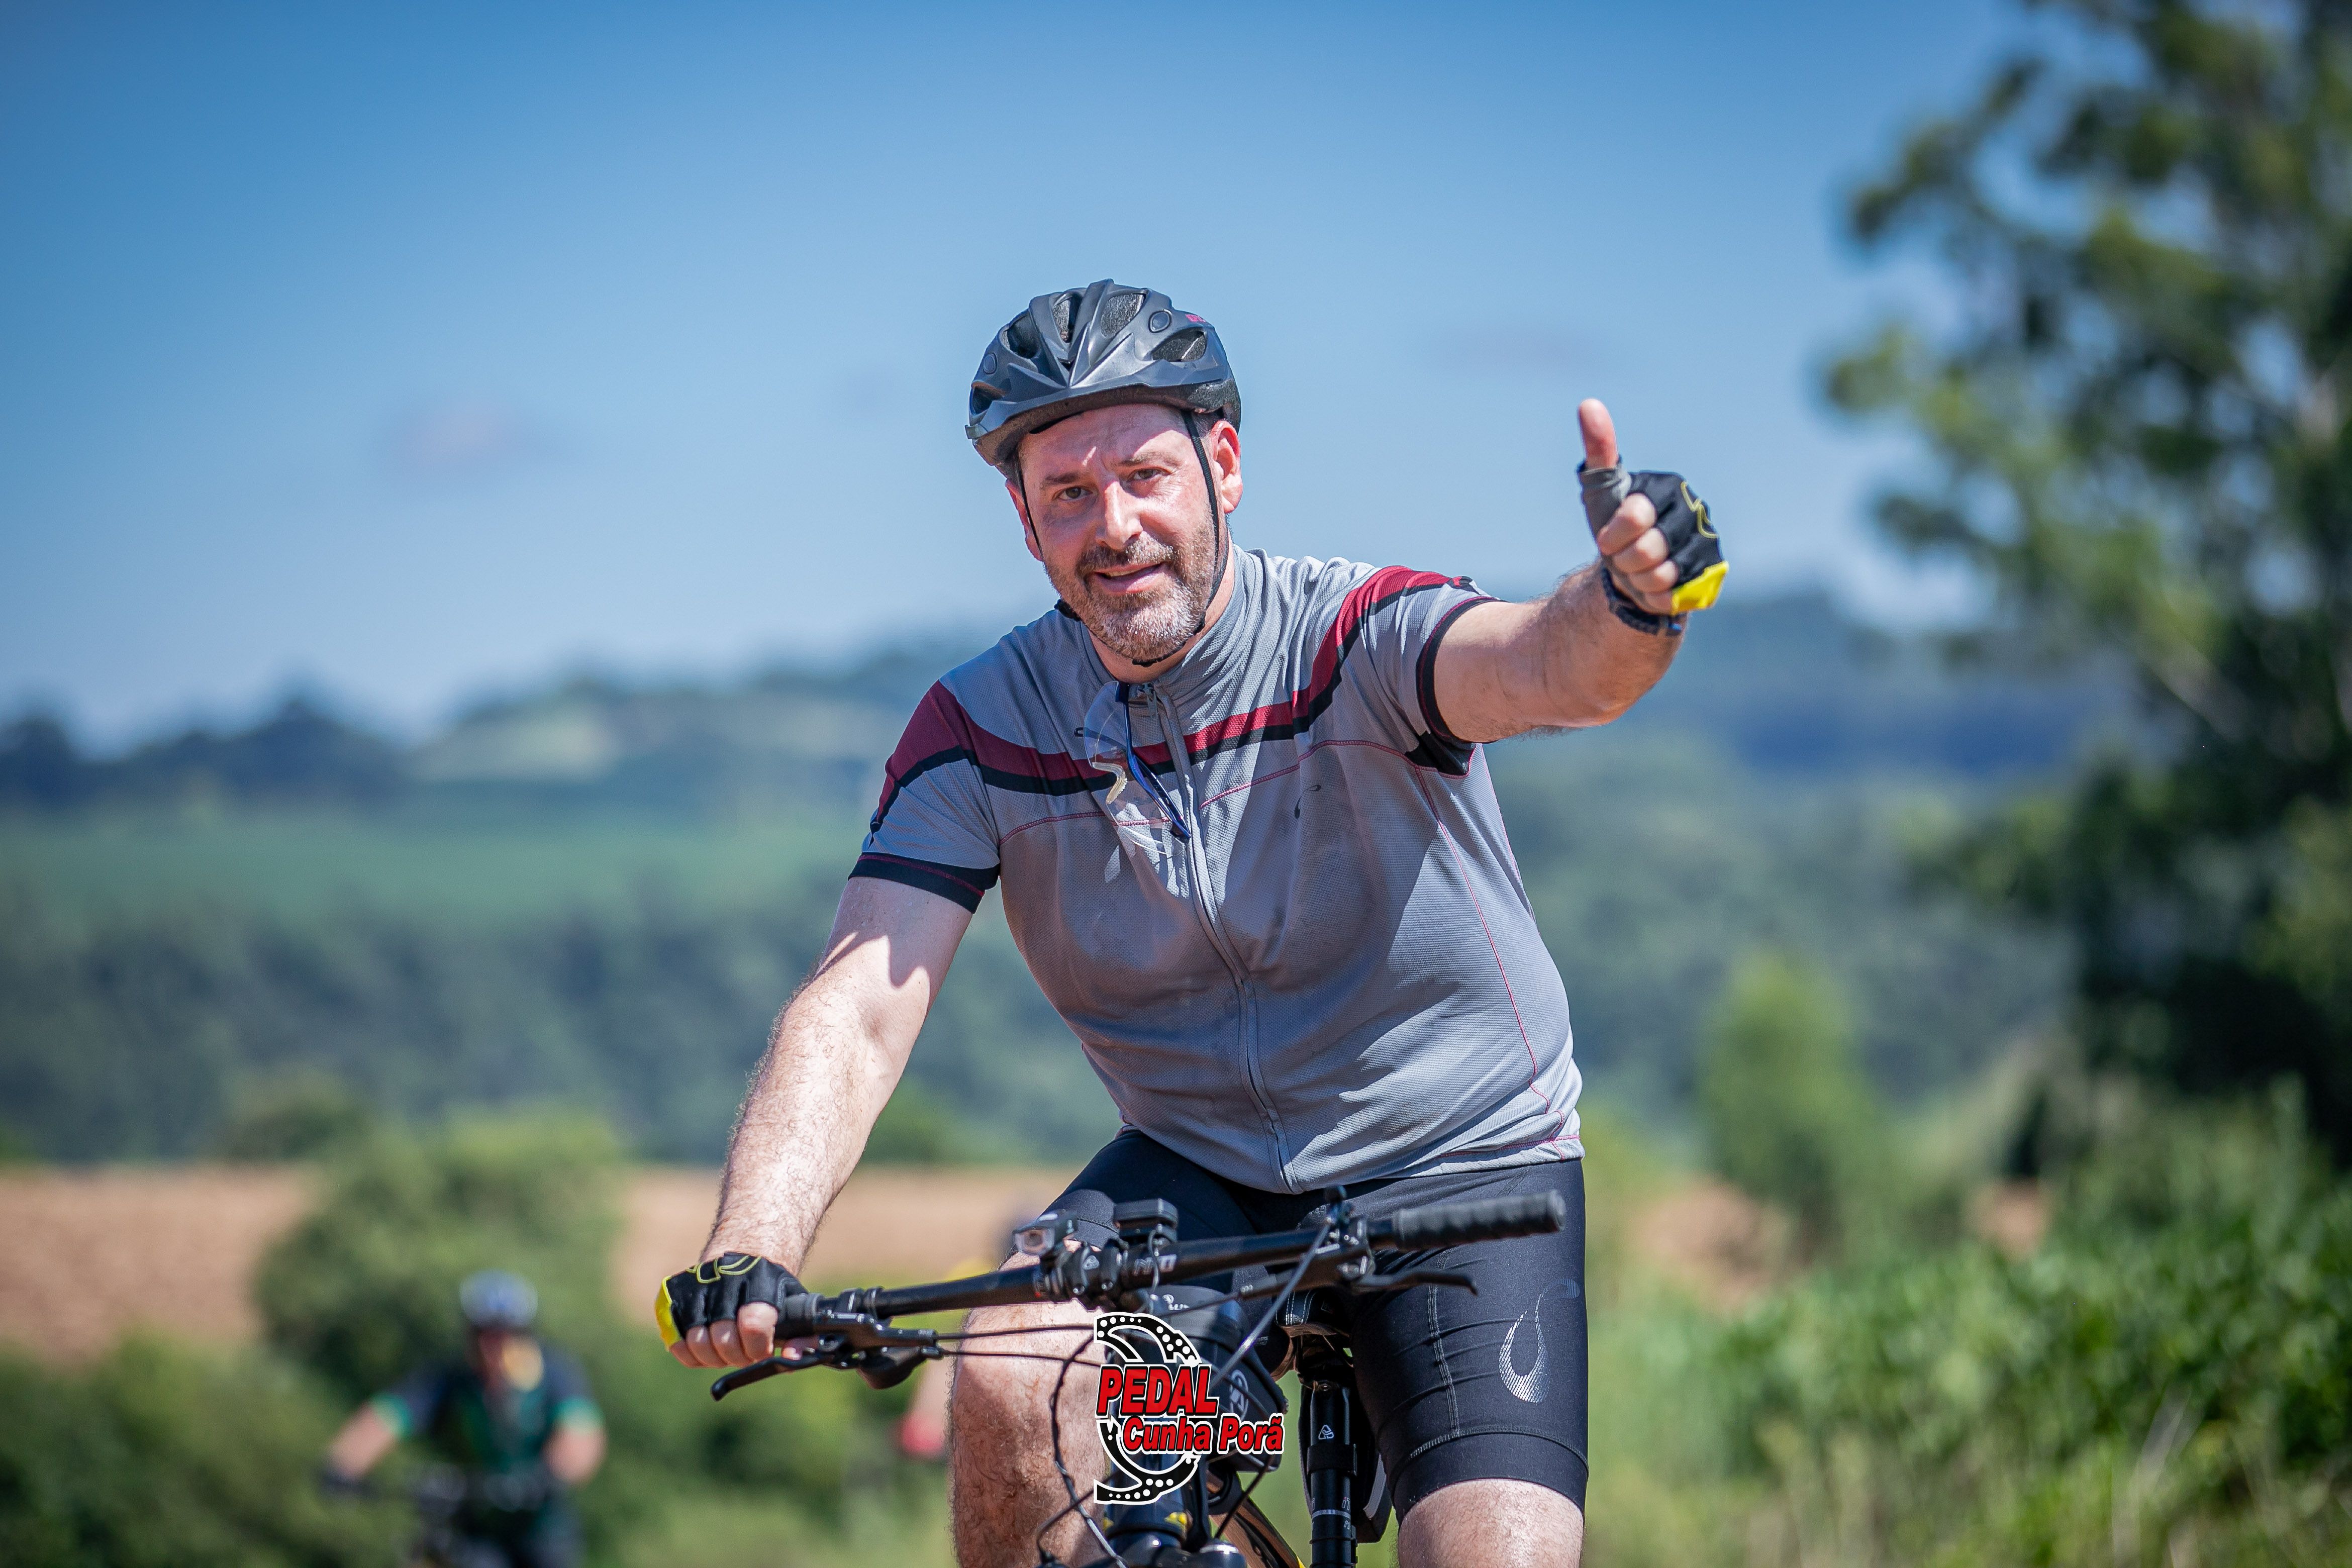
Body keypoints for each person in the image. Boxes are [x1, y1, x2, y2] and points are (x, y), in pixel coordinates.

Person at [656, 280, 1725, 1567]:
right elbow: (858, 1006)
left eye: (1145, 476)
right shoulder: (981, 728)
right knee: (1018, 1378)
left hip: (1461, 1164)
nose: (1114, 526)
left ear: (1223, 465)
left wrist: (1630, 602)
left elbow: (1547, 663)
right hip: (1201, 1183)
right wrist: (752, 1245)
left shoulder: (1353, 636)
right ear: (1024, 520)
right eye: (1069, 493)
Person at [324, 1270, 606, 1568]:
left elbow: (581, 1438)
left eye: (504, 1335)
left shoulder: (555, 1373)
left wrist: (542, 1478)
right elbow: (388, 1416)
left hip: (542, 1534)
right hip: (476, 1530)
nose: (492, 1345)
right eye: (483, 1333)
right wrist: (343, 1465)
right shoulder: (452, 1379)